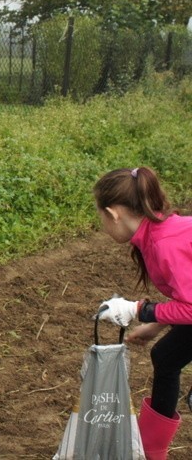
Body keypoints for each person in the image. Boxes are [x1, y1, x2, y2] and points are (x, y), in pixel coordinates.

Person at [94, 166, 192, 460]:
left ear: (113, 214)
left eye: (100, 218)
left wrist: (138, 310)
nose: (103, 226)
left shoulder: (164, 243)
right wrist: (158, 322)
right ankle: (151, 450)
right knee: (166, 356)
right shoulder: (157, 233)